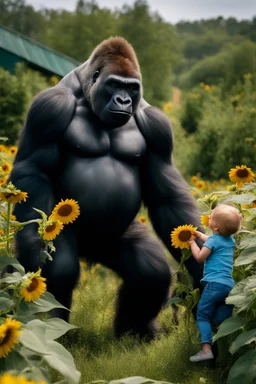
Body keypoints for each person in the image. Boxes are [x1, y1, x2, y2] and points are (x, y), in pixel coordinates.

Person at [188, 204, 242, 362]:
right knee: (218, 321)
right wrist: (199, 235)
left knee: (202, 315)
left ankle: (206, 350)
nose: (209, 217)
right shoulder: (230, 240)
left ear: (216, 226)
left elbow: (199, 257)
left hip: (214, 285)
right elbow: (212, 241)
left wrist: (192, 243)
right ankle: (225, 352)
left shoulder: (212, 241)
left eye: (211, 217)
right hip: (228, 287)